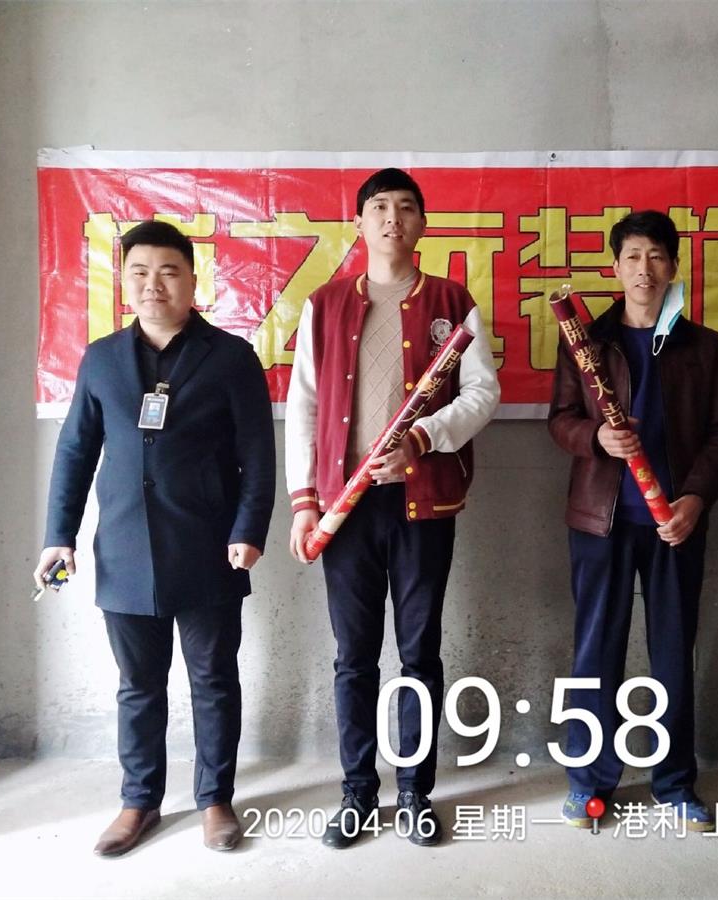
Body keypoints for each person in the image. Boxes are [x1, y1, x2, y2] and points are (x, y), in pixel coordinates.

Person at [34, 220, 276, 856]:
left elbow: (258, 455)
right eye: (139, 272)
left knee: (213, 681)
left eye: (168, 272)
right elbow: (75, 451)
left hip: (209, 547)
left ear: (193, 281)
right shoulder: (101, 359)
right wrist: (59, 536)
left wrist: (249, 529)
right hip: (123, 549)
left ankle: (215, 800)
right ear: (123, 281)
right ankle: (138, 801)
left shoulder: (230, 357)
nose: (153, 284)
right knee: (137, 686)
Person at [286, 168, 500, 848]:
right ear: (358, 223)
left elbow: (482, 392)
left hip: (422, 503)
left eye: (406, 208)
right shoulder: (324, 305)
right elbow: (303, 405)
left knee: (418, 653)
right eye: (378, 207)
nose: (392, 219)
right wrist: (303, 501)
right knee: (353, 656)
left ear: (422, 224)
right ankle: (356, 791)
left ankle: (414, 791)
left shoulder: (451, 301)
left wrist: (423, 438)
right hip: (343, 509)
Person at [547, 210, 718, 830]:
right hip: (599, 521)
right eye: (632, 256)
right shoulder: (586, 341)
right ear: (615, 268)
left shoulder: (702, 346)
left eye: (657, 256)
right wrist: (596, 438)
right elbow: (560, 419)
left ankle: (675, 782)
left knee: (672, 653)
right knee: (595, 650)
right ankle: (588, 781)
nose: (644, 268)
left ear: (674, 267)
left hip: (674, 524)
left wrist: (696, 500)